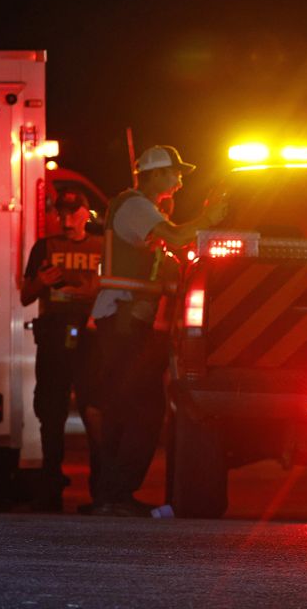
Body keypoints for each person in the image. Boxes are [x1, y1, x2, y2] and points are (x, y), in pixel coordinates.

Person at [86, 145, 226, 517]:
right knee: (141, 409)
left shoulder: (139, 209)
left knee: (128, 406)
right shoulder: (135, 207)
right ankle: (114, 494)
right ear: (157, 174)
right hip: (122, 319)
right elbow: (178, 238)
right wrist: (209, 217)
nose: (180, 182)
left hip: (126, 319)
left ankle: (109, 494)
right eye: (176, 173)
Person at [21, 191, 103, 511]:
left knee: (95, 409)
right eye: (61, 213)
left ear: (86, 214)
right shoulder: (45, 247)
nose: (66, 220)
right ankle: (50, 487)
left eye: (73, 213)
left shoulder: (102, 247)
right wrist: (40, 281)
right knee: (50, 412)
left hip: (91, 338)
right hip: (54, 336)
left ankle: (102, 490)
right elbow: (26, 296)